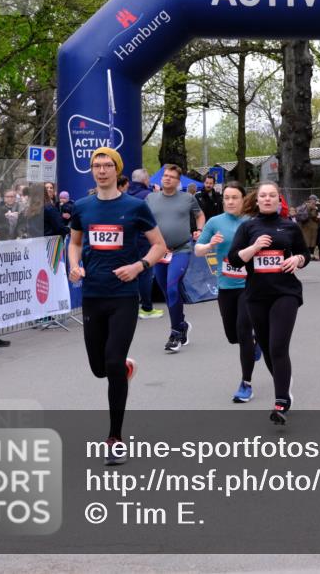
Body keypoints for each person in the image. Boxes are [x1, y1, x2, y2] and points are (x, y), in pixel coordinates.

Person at [68, 148, 167, 465]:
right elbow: (75, 242)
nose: (101, 170)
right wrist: (74, 266)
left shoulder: (135, 207)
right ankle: (123, 369)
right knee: (100, 368)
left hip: (124, 295)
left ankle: (115, 438)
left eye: (107, 165)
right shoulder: (82, 207)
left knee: (111, 363)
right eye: (96, 165)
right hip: (93, 295)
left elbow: (159, 246)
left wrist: (139, 267)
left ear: (117, 170)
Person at [228, 182, 312, 424]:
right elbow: (234, 260)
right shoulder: (247, 227)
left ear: (279, 200)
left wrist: (297, 259)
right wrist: (254, 247)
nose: (267, 199)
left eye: (271, 196)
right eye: (263, 195)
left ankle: (281, 400)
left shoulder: (289, 226)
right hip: (256, 295)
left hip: (286, 293)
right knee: (266, 347)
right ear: (257, 200)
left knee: (277, 346)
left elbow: (304, 254)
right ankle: (283, 382)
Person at [195, 182, 262, 403]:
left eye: (235, 197)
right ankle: (255, 342)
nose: (230, 201)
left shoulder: (252, 222)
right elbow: (197, 250)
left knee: (243, 332)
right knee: (232, 336)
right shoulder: (215, 222)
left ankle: (246, 383)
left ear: (243, 200)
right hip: (226, 286)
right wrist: (209, 245)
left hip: (249, 285)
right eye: (227, 198)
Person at [147, 164, 205, 353]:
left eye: (172, 176)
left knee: (172, 287)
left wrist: (200, 230)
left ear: (178, 181)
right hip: (159, 252)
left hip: (181, 249)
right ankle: (182, 324)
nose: (167, 179)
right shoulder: (151, 198)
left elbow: (200, 215)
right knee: (168, 291)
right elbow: (143, 220)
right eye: (165, 175)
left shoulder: (188, 198)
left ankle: (175, 334)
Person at [126, 169, 161, 319]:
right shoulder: (149, 196)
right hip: (145, 238)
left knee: (130, 271)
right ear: (145, 179)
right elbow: (156, 217)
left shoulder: (124, 195)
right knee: (145, 272)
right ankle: (146, 308)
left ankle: (130, 306)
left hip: (129, 239)